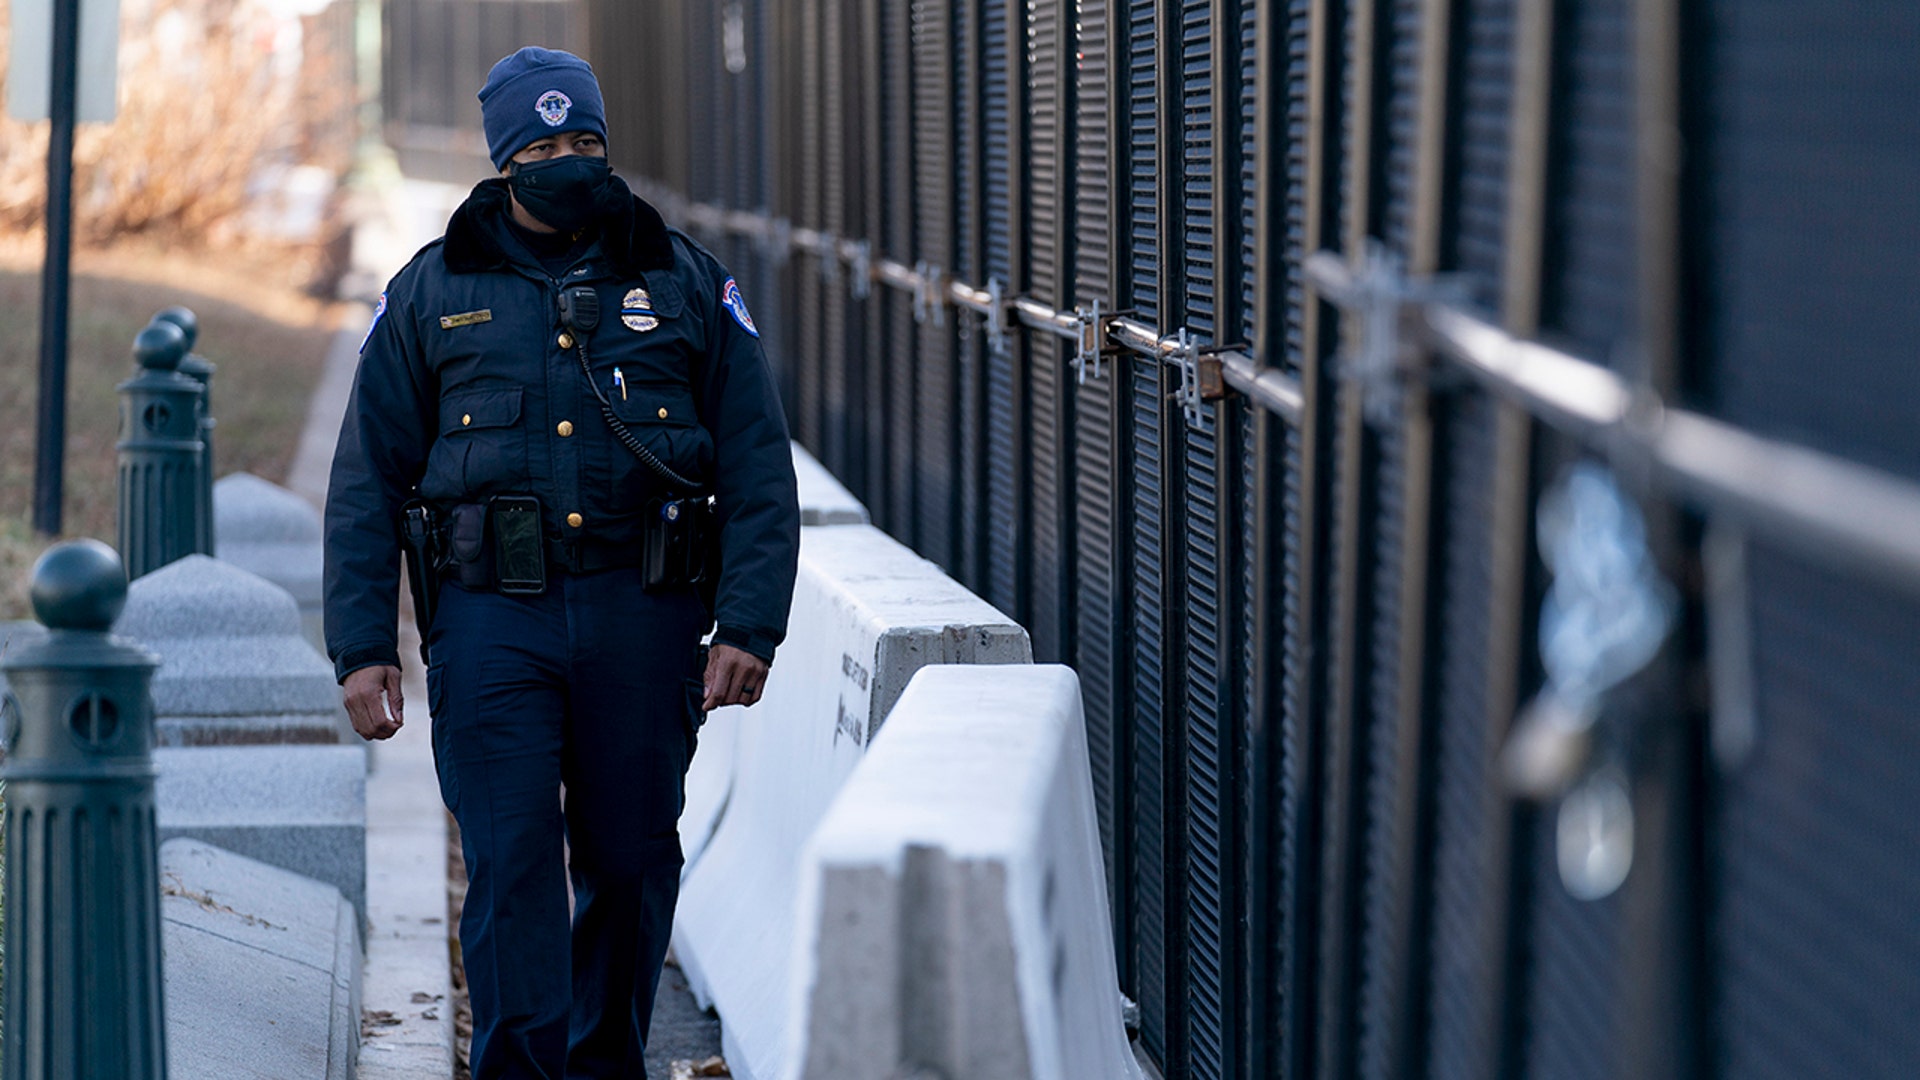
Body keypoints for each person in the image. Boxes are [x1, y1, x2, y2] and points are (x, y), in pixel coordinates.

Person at [322, 46, 800, 1079]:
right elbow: (366, 478)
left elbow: (762, 461)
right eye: (541, 145)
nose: (567, 159)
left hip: (646, 616)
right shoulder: (431, 291)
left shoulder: (683, 281)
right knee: (514, 865)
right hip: (493, 622)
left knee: (630, 867)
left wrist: (751, 623)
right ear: (504, 160)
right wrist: (363, 648)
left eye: (583, 139)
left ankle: (602, 1065)